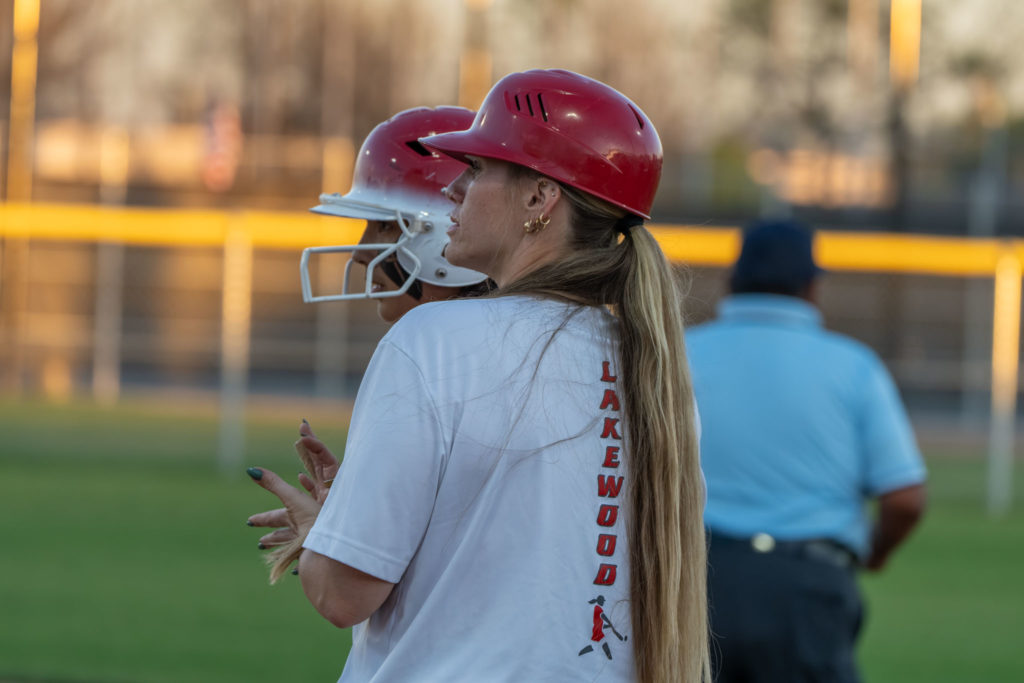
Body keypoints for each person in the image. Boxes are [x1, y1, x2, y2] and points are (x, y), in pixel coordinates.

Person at [247, 69, 709, 683]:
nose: (457, 190)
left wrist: (324, 532)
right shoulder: (650, 361)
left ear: (541, 199)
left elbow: (342, 596)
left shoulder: (432, 339)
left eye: (479, 169)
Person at [247, 106, 489, 580]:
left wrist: (338, 538)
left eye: (383, 226)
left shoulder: (421, 351)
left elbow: (344, 593)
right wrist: (370, 509)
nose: (361, 251)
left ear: (445, 230)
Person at [686, 218, 928, 683]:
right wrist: (876, 553)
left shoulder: (677, 353)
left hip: (695, 580)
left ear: (731, 280)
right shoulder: (854, 366)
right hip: (809, 588)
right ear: (813, 287)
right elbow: (905, 498)